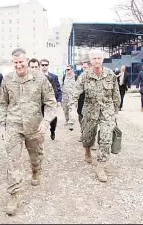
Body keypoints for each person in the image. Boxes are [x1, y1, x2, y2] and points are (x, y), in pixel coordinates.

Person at [0, 48, 57, 216]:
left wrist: (46, 122)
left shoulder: (40, 78)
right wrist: (2, 124)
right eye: (15, 62)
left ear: (27, 60)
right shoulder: (7, 80)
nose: (18, 65)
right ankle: (14, 195)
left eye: (21, 62)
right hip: (14, 126)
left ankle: (36, 169)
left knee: (35, 156)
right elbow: (2, 103)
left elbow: (51, 103)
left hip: (35, 126)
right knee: (13, 161)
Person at [70, 49, 120, 182]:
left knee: (106, 138)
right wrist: (72, 109)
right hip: (90, 110)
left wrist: (116, 112)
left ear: (103, 59)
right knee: (87, 136)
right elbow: (75, 92)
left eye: (99, 58)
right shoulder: (84, 75)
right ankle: (87, 150)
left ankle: (101, 166)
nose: (97, 61)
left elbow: (116, 95)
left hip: (106, 111)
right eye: (94, 59)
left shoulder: (111, 75)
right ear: (90, 60)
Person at [40, 59, 62, 140]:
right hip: (40, 102)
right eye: (42, 65)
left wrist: (58, 100)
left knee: (53, 118)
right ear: (40, 66)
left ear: (48, 66)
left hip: (51, 101)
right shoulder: (37, 76)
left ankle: (52, 130)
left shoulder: (54, 77)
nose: (44, 66)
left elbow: (58, 89)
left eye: (46, 65)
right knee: (40, 118)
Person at [61, 65, 77, 130]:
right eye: (66, 69)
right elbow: (61, 85)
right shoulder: (64, 76)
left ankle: (71, 122)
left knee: (71, 109)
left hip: (72, 97)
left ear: (72, 69)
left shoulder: (75, 77)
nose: (67, 71)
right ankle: (67, 120)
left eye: (68, 69)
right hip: (65, 97)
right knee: (65, 110)